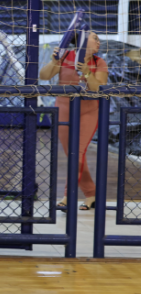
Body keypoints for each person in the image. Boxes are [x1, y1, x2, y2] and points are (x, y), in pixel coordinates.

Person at [40, 30, 108, 211]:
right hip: (64, 109)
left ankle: (67, 196)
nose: (99, 42)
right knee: (73, 154)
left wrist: (87, 73)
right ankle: (91, 194)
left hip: (89, 111)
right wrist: (54, 61)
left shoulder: (99, 62)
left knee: (77, 152)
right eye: (95, 38)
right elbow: (44, 76)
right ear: (82, 41)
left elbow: (98, 89)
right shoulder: (64, 56)